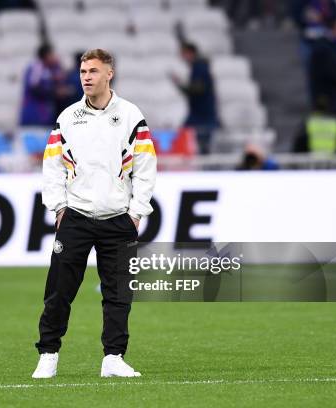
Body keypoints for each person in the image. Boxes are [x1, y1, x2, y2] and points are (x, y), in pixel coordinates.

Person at [32, 49, 156, 379]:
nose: (86, 76)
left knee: (118, 294)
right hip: (76, 216)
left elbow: (145, 167)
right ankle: (48, 354)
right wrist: (58, 207)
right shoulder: (68, 117)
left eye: (93, 71)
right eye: (83, 71)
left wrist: (136, 213)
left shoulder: (131, 116)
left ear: (109, 75)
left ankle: (113, 357)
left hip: (119, 219)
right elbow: (52, 166)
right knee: (59, 289)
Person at [172, 42, 220, 154]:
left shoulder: (200, 67)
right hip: (199, 113)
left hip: (203, 114)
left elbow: (198, 89)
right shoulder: (198, 67)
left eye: (183, 53)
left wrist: (181, 85)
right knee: (195, 139)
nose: (182, 57)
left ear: (190, 53)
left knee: (203, 143)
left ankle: (207, 168)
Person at [20, 43, 65, 127]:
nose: (54, 56)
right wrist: (55, 92)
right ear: (46, 55)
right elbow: (34, 88)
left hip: (45, 114)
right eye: (52, 54)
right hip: (34, 113)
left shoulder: (49, 69)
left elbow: (60, 78)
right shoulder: (36, 67)